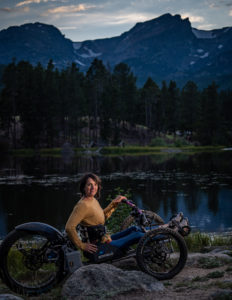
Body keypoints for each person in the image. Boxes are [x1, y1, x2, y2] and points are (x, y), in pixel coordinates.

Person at [65, 173, 127, 253]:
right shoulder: (82, 205)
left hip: (104, 240)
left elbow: (101, 217)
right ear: (83, 187)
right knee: (136, 235)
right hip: (97, 248)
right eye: (89, 185)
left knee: (134, 229)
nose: (93, 187)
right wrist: (82, 245)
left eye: (95, 184)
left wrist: (114, 203)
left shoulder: (92, 199)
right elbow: (69, 227)